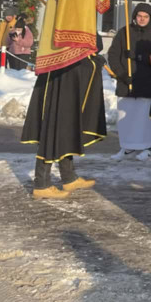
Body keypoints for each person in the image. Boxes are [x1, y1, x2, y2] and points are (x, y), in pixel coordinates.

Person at [21, 43, 106, 200]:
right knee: (51, 131)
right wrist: (95, 61)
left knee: (66, 130)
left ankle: (69, 178)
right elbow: (84, 62)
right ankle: (42, 183)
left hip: (65, 84)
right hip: (57, 84)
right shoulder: (63, 48)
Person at [107, 3, 151, 161]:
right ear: (134, 17)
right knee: (126, 116)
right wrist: (121, 74)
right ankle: (127, 146)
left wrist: (141, 57)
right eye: (139, 16)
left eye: (146, 17)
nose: (142, 19)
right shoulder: (124, 33)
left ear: (150, 18)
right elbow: (113, 55)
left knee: (144, 118)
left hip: (146, 83)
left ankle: (145, 147)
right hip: (126, 83)